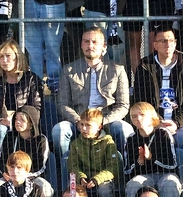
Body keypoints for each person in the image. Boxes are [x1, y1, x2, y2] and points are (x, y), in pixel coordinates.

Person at [54, 26, 132, 159]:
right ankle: (67, 171)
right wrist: (79, 121)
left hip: (107, 120)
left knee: (123, 128)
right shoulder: (69, 70)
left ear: (104, 46)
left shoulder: (117, 70)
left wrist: (103, 122)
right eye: (86, 41)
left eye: (94, 42)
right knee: (59, 131)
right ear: (81, 44)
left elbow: (123, 105)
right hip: (78, 120)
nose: (90, 45)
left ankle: (122, 169)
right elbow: (62, 103)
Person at [132, 29, 183, 159]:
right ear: (155, 45)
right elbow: (140, 99)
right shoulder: (145, 67)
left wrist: (176, 122)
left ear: (175, 43)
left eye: (171, 41)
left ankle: (180, 178)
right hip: (152, 123)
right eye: (163, 41)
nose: (168, 44)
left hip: (180, 123)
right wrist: (158, 121)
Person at [0, 40, 43, 150]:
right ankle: (1, 162)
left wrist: (18, 119)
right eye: (1, 57)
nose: (4, 60)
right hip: (2, 126)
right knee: (1, 130)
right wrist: (0, 120)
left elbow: (36, 109)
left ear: (17, 57)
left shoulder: (31, 79)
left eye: (8, 56)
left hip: (24, 125)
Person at [124, 103, 181, 197]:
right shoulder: (131, 139)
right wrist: (139, 162)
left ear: (151, 117)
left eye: (142, 114)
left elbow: (172, 164)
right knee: (133, 184)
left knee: (170, 183)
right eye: (134, 116)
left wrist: (151, 158)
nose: (138, 118)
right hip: (144, 175)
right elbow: (128, 170)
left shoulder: (163, 134)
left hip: (165, 174)